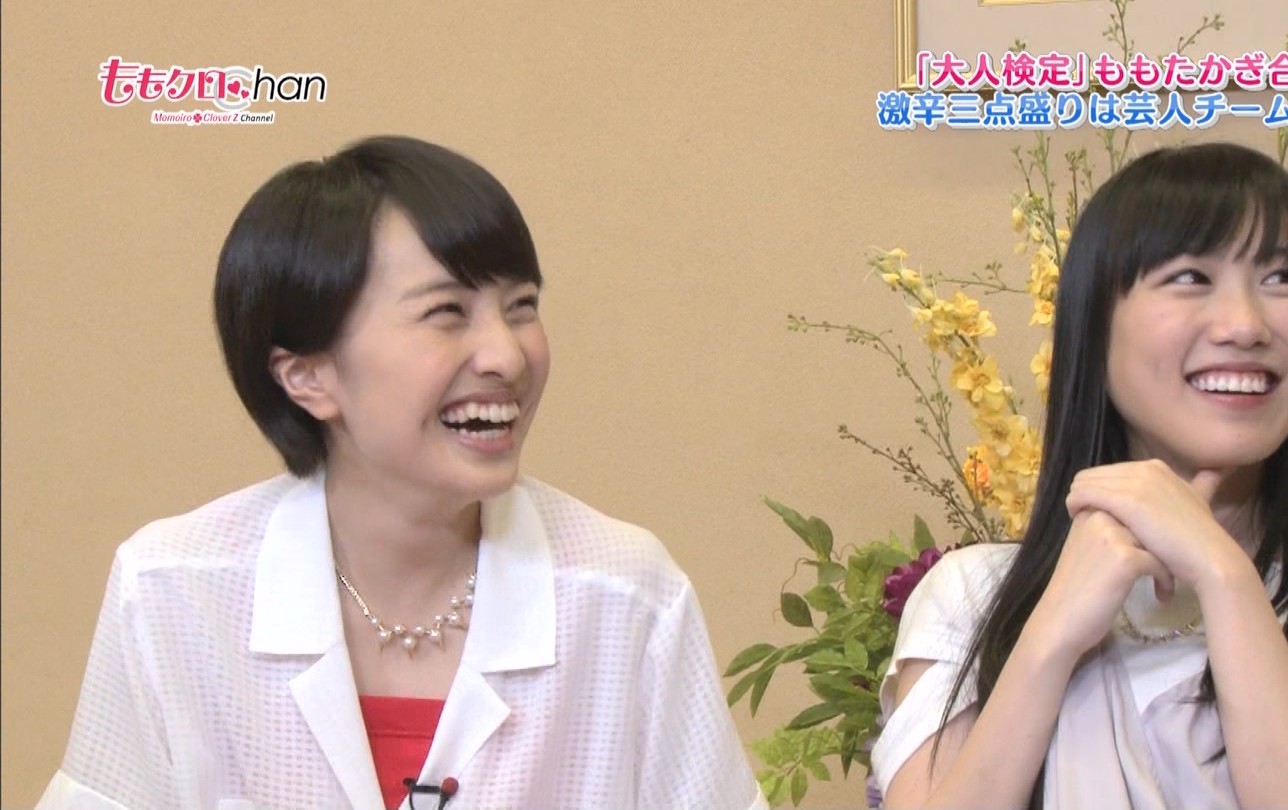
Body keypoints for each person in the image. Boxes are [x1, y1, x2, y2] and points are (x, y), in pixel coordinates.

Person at [41, 135, 765, 810]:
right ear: (308, 375)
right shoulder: (173, 592)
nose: (507, 357)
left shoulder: (626, 596)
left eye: (521, 307)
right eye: (447, 312)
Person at [872, 142, 1288, 809]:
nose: (1246, 326)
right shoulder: (970, 596)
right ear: (1093, 327)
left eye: (1284, 277)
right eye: (1191, 277)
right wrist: (1050, 635)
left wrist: (1224, 576)